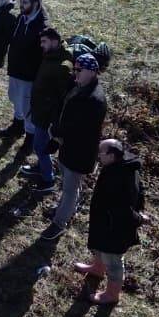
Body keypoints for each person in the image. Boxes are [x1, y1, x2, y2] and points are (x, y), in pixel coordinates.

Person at [42, 51, 108, 240]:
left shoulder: (94, 99)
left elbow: (81, 130)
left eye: (80, 69)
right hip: (66, 147)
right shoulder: (78, 87)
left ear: (93, 72)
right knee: (68, 184)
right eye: (75, 68)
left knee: (70, 189)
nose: (75, 73)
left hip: (79, 152)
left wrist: (58, 136)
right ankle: (66, 208)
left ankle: (59, 223)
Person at [76, 139, 146, 305]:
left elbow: (124, 210)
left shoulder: (121, 175)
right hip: (104, 222)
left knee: (114, 261)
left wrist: (140, 218)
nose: (98, 156)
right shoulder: (120, 164)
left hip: (115, 228)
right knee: (100, 247)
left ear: (112, 155)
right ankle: (98, 269)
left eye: (101, 153)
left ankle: (112, 294)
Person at [18, 29, 73, 189]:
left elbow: (62, 98)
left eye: (44, 42)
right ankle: (41, 168)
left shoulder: (63, 65)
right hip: (40, 110)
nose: (41, 45)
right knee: (39, 146)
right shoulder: (52, 56)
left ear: (55, 41)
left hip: (46, 115)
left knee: (40, 147)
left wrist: (52, 120)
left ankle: (48, 179)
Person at [0, 0, 47, 141]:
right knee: (15, 99)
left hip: (28, 75)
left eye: (25, 3)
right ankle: (17, 126)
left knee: (27, 108)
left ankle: (29, 138)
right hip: (15, 70)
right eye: (21, 2)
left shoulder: (42, 27)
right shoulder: (21, 18)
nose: (21, 6)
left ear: (36, 4)